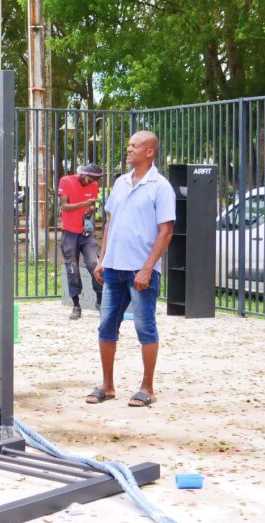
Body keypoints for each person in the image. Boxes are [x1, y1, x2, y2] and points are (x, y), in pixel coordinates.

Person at [86, 131, 175, 407]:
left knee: (144, 327)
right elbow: (111, 222)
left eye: (135, 146)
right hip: (114, 268)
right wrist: (102, 258)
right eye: (129, 145)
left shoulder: (161, 187)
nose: (129, 149)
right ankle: (108, 385)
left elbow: (166, 231)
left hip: (140, 271)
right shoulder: (120, 183)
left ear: (150, 152)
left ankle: (147, 387)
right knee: (105, 326)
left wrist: (148, 268)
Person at [58, 163, 104, 319]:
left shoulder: (94, 185)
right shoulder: (66, 181)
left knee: (95, 264)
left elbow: (90, 209)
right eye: (90, 179)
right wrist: (83, 205)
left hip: (86, 232)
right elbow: (64, 207)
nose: (92, 183)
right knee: (72, 267)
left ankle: (100, 302)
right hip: (69, 232)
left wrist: (90, 210)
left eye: (94, 181)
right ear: (84, 174)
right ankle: (76, 305)